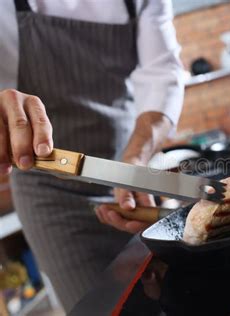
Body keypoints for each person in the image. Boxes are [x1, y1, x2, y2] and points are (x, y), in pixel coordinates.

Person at [0, 0, 184, 311]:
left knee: (166, 298)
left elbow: (163, 71)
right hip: (49, 192)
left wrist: (135, 161)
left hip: (127, 173)